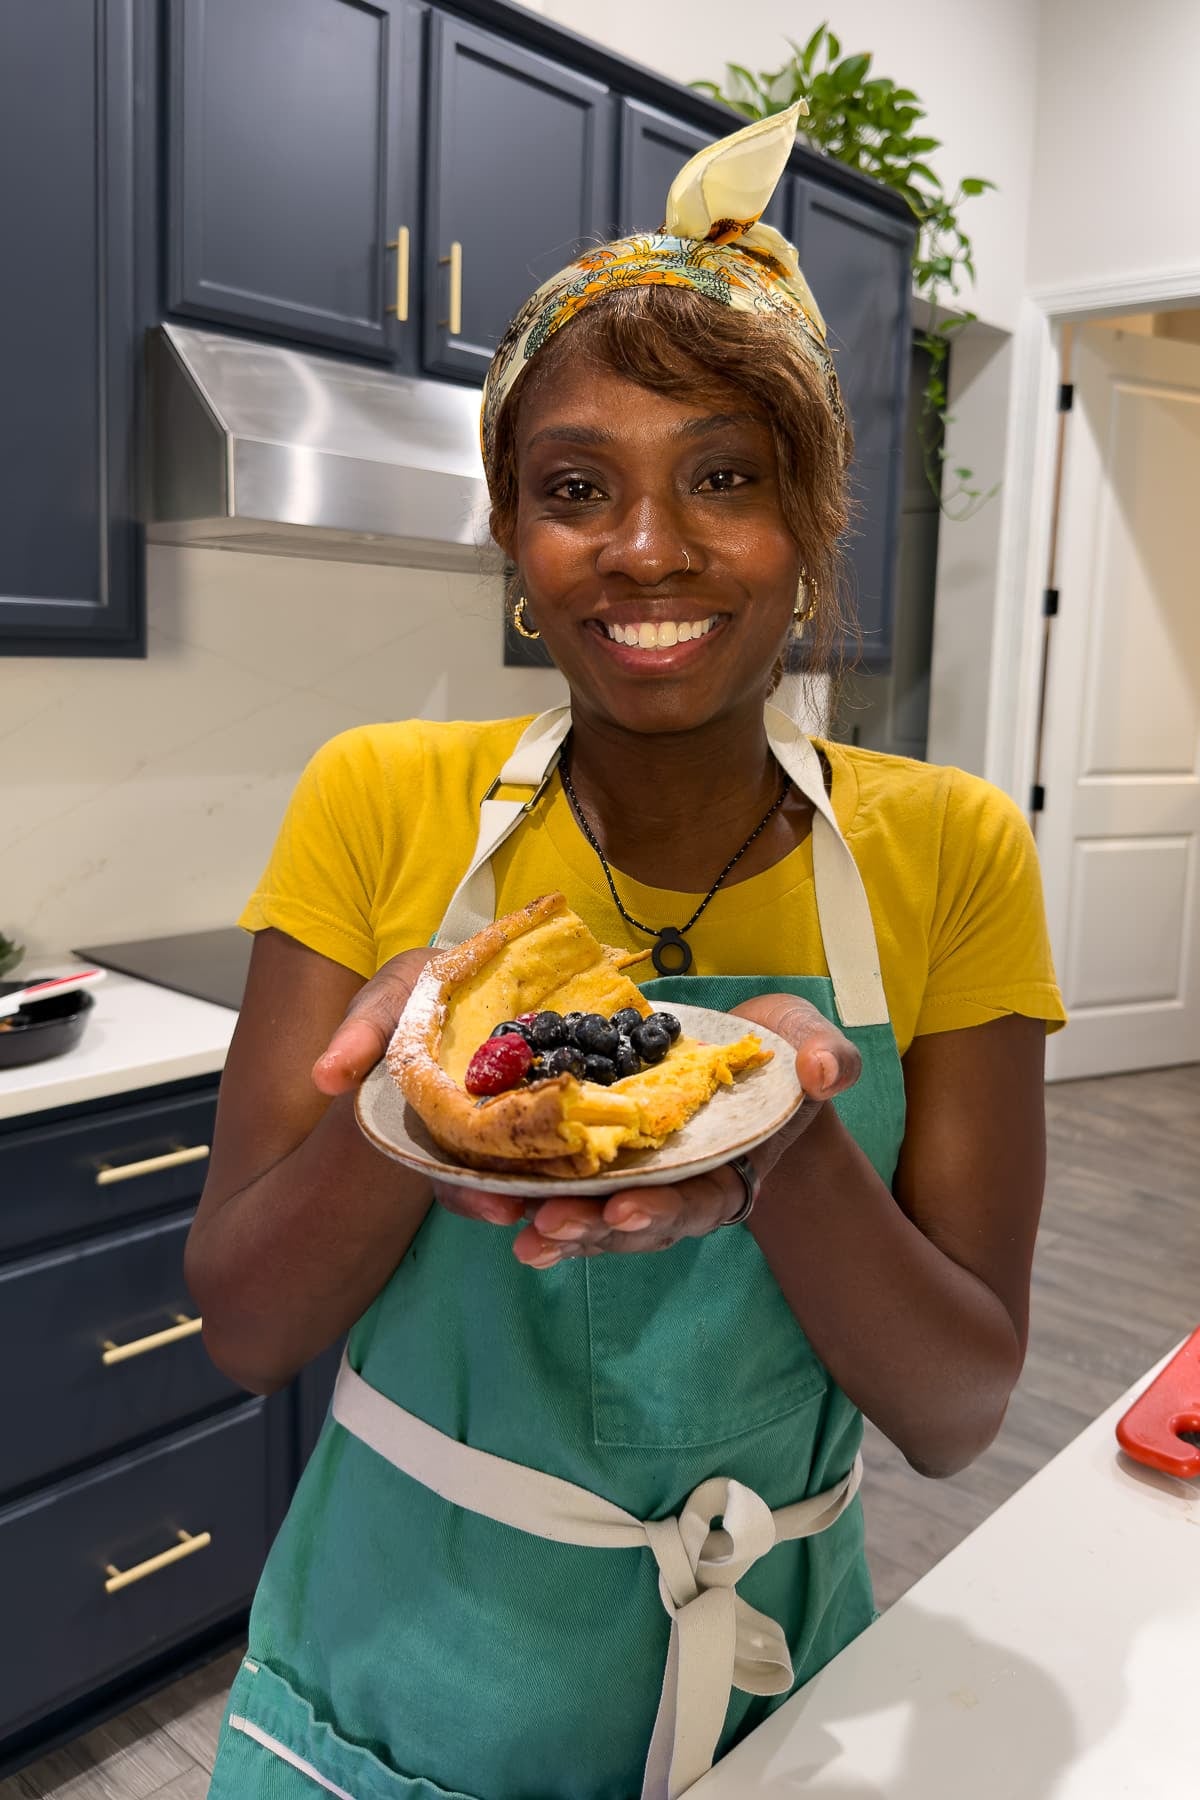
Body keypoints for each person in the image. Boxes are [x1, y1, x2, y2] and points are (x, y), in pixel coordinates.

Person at [191, 103, 1066, 1800]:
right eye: (576, 487)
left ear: (812, 526)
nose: (649, 547)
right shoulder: (381, 801)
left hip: (772, 1679)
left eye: (725, 478)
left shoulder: (947, 849)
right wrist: (421, 1080)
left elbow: (960, 1411)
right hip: (398, 1666)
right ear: (517, 543)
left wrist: (781, 1149)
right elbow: (241, 1322)